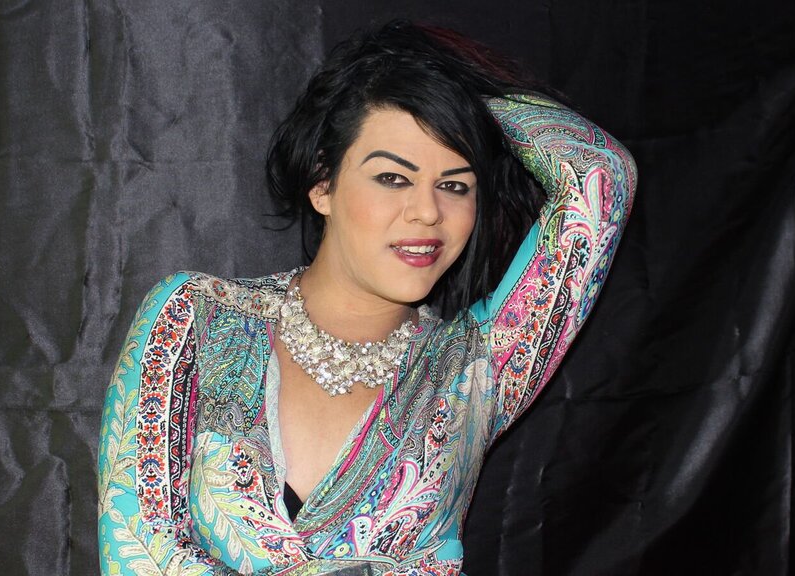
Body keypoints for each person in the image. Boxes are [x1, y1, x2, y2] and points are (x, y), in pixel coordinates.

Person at [97, 21, 636, 575]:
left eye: (454, 185)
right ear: (322, 185)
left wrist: (454, 89)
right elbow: (137, 551)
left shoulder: (477, 369)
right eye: (393, 178)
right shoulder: (200, 318)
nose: (427, 212)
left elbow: (600, 174)